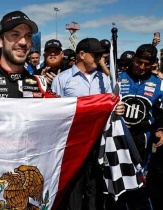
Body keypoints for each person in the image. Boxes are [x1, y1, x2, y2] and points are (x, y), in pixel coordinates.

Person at [51, 38, 117, 210]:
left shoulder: (104, 79)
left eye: (102, 56)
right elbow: (54, 111)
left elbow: (111, 104)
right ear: (81, 55)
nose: (100, 60)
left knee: (95, 186)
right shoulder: (61, 79)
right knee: (73, 186)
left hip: (98, 142)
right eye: (96, 55)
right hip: (72, 143)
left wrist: (118, 108)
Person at [115, 44, 163, 210]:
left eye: (147, 64)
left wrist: (161, 130)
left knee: (139, 179)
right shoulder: (117, 79)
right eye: (139, 62)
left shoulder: (160, 85)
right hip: (117, 137)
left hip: (142, 140)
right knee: (117, 177)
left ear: (154, 63)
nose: (142, 67)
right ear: (134, 59)